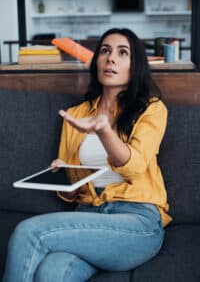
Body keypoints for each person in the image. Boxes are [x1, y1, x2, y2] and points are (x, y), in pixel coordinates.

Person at [2, 28, 172, 282]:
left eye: (122, 53)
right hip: (89, 216)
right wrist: (65, 181)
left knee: (29, 232)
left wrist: (104, 130)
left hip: (137, 220)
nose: (110, 58)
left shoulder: (152, 109)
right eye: (105, 51)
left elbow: (134, 167)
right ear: (96, 61)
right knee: (52, 272)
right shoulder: (77, 114)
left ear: (134, 65)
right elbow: (75, 189)